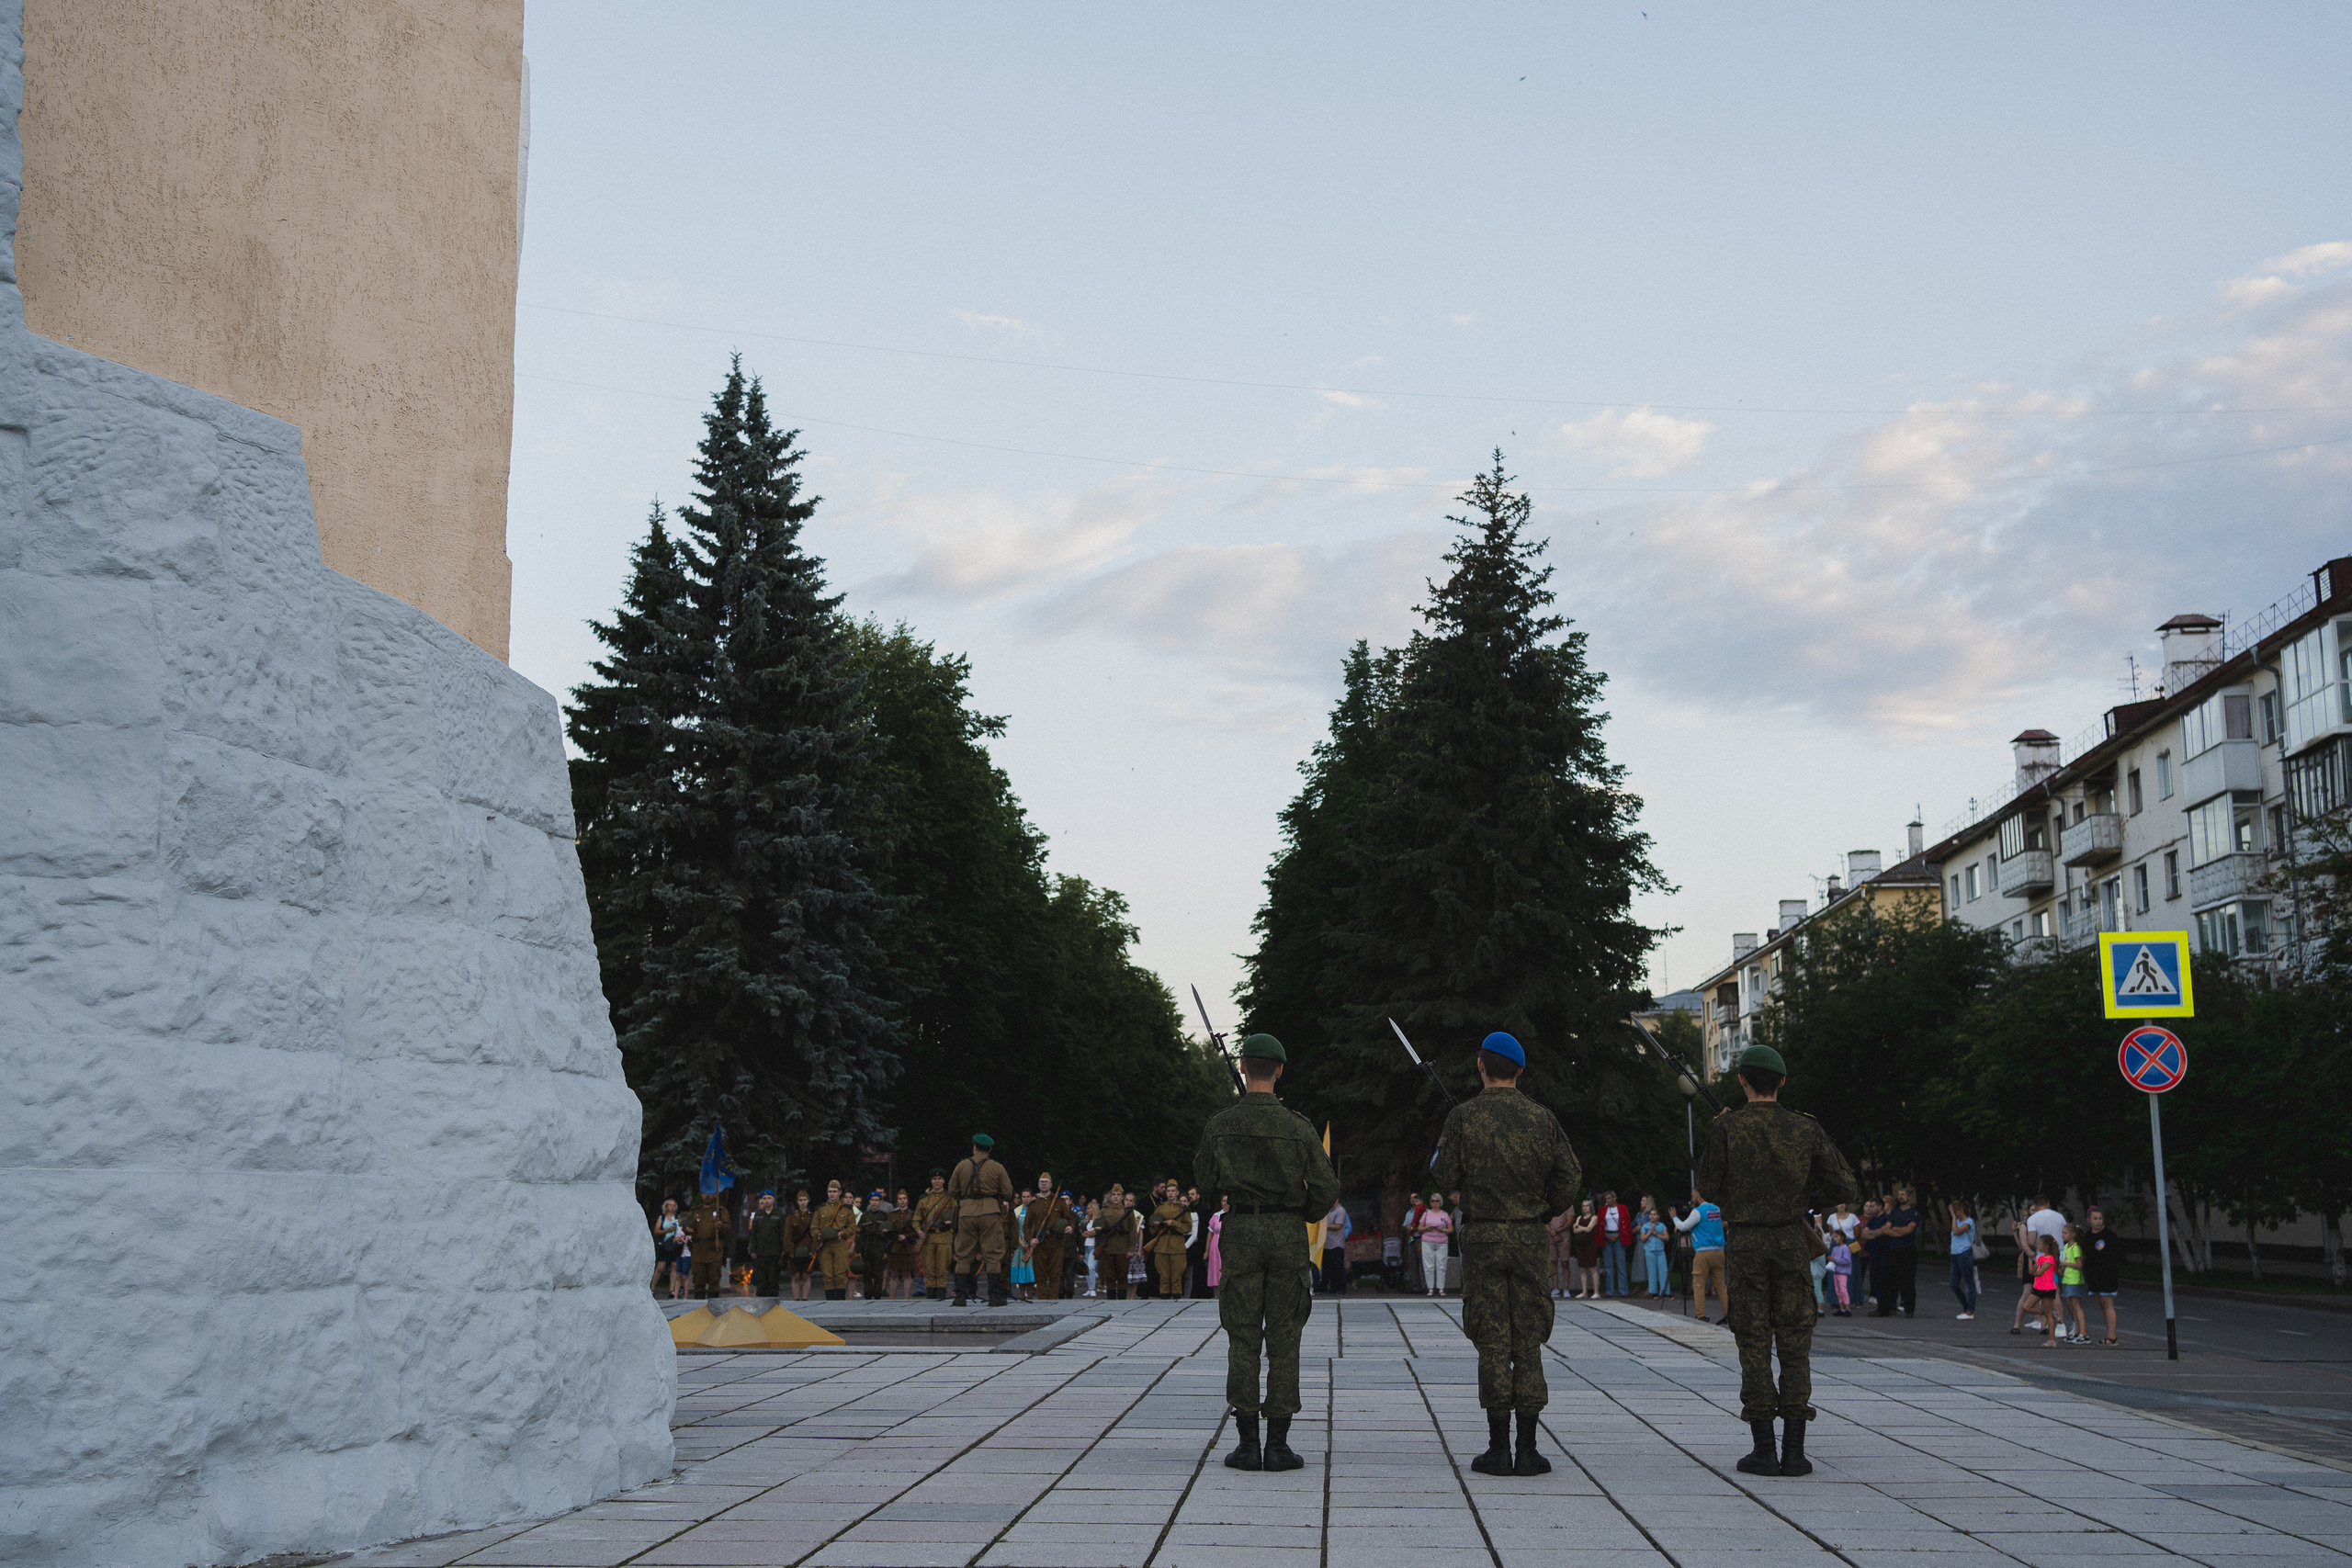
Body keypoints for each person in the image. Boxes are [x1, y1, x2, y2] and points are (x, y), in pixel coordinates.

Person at [1696, 1043, 1858, 1480]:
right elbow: (1844, 1184)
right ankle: (1795, 1453)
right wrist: (1805, 1201)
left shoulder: (1727, 1129)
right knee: (1795, 1345)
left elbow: (1708, 1187)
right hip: (1790, 1241)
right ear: (1782, 1082)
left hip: (1746, 1244)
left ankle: (1763, 1450)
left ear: (1742, 1080)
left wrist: (1720, 1134)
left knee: (1752, 1344)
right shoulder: (1805, 1129)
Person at [1430, 1030, 1581, 1478]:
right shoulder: (1542, 1118)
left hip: (1482, 1238)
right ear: (1518, 1070)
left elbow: (1443, 1173)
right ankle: (1529, 1449)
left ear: (1480, 1066)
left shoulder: (1463, 1117)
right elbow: (1569, 1176)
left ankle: (1498, 1448)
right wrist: (1544, 1209)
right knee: (1528, 1335)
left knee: (1493, 1337)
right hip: (1529, 1237)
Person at [1193, 1032, 1340, 1474]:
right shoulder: (1299, 1126)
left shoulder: (1221, 1124)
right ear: (1279, 1070)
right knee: (1285, 1337)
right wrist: (1300, 1211)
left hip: (1239, 1229)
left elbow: (1204, 1177)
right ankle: (1278, 1445)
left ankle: (1246, 1444)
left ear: (1242, 1066)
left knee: (1242, 1336)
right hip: (1286, 1232)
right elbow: (1327, 1188)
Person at [946, 1134, 1017, 1307]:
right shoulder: (997, 1167)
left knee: (963, 1255)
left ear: (974, 1148)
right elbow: (1008, 1191)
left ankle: (960, 1297)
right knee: (993, 1255)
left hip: (967, 1212)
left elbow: (952, 1191)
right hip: (990, 1212)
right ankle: (994, 1297)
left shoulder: (962, 1165)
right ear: (990, 1149)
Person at [2009, 1196, 2067, 1335]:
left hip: (2043, 1257)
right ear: (2048, 1203)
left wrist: (2035, 1250)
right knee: (2056, 1290)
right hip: (2060, 1254)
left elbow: (2030, 1242)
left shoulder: (2033, 1219)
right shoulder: (2059, 1217)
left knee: (2050, 1292)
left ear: (2035, 1204)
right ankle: (2056, 1324)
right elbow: (2065, 1234)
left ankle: (2060, 1325)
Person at [1676, 1190, 1726, 1323]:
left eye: (1693, 1196)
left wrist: (1674, 1217)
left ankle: (1701, 1315)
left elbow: (1683, 1227)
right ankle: (1728, 1314)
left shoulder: (1698, 1212)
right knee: (1721, 1285)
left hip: (1703, 1251)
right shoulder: (1717, 1209)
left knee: (1698, 1285)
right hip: (1719, 1251)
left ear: (1699, 1195)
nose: (1692, 1199)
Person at [1872, 1185, 1920, 1318]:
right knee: (1889, 1279)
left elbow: (1909, 1230)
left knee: (1908, 1280)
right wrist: (1900, 1231)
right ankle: (1886, 1308)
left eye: (1903, 1194)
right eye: (1899, 1194)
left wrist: (1896, 1229)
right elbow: (1886, 1229)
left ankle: (1909, 1309)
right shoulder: (1894, 1212)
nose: (1900, 1197)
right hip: (1894, 1249)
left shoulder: (1914, 1213)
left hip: (1908, 1249)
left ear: (1909, 1197)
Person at [1028, 1176, 1074, 1302]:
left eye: (1046, 1182)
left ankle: (1053, 1299)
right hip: (1040, 1243)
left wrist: (1070, 1227)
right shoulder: (1033, 1204)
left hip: (1056, 1241)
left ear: (1051, 1184)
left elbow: (1069, 1219)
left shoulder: (1059, 1202)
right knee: (1040, 1274)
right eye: (1041, 1182)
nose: (1043, 1184)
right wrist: (1030, 1240)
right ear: (1038, 1184)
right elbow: (1026, 1225)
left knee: (1055, 1273)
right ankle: (1042, 1299)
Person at [811, 1179, 858, 1301]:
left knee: (840, 1274)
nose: (831, 1194)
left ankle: (840, 1302)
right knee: (827, 1275)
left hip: (840, 1244)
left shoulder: (846, 1209)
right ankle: (830, 1302)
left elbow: (853, 1227)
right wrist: (818, 1234)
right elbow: (814, 1227)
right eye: (829, 1191)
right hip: (826, 1245)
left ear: (839, 1193)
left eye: (834, 1191)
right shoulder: (820, 1209)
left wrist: (842, 1233)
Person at [1147, 1180, 1193, 1299]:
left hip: (1177, 1245)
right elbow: (1151, 1229)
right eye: (1168, 1191)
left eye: (1173, 1191)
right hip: (1162, 1245)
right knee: (1164, 1276)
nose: (1170, 1193)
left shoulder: (1183, 1209)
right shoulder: (1160, 1208)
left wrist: (1174, 1223)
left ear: (1177, 1193)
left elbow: (1188, 1228)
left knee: (1177, 1276)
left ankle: (1177, 1298)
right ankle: (1164, 1298)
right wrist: (1154, 1226)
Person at [2083, 1206, 2122, 1345]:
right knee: (2100, 1304)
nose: (2098, 1222)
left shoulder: (2109, 1235)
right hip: (2094, 1275)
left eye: (2100, 1219)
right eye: (2095, 1219)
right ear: (2089, 1220)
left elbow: (2118, 1254)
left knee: (2107, 1303)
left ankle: (2112, 1337)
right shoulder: (2088, 1236)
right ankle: (2109, 1333)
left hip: (2107, 1274)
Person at [912, 1170, 955, 1301]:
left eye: (940, 1178)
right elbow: (916, 1219)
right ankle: (930, 1298)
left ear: (944, 1181)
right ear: (931, 1181)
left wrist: (951, 1223)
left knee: (942, 1270)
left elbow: (957, 1216)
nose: (937, 1181)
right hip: (928, 1238)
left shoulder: (950, 1198)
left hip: (944, 1237)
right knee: (929, 1270)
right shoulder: (924, 1199)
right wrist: (919, 1232)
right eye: (935, 1179)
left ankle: (940, 1297)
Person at [1093, 1185, 1137, 1301]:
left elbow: (1133, 1231)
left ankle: (1122, 1300)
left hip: (1123, 1247)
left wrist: (1131, 1249)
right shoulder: (1104, 1210)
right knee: (1110, 1276)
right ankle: (1111, 1299)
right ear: (1110, 1196)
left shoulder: (1127, 1211)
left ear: (1122, 1197)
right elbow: (1098, 1229)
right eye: (1114, 1194)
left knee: (1123, 1276)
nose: (1116, 1197)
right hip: (1108, 1247)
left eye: (1118, 1195)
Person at [687, 1192, 731, 1300]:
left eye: (710, 1193)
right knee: (698, 1279)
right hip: (698, 1250)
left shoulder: (720, 1211)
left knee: (714, 1279)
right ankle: (698, 1306)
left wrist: (721, 1226)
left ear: (715, 1195)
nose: (707, 1196)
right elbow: (686, 1226)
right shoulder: (695, 1211)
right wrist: (687, 1230)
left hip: (714, 1250)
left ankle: (713, 1304)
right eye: (704, 1193)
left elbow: (727, 1228)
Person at [854, 1190, 898, 1301]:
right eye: (872, 1200)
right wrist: (858, 1250)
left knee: (879, 1273)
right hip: (867, 1245)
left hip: (880, 1245)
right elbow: (859, 1233)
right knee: (867, 1272)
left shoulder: (885, 1216)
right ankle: (868, 1295)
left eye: (877, 1200)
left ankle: (878, 1294)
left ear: (880, 1202)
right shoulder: (864, 1216)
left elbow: (890, 1235)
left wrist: (886, 1251)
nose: (874, 1202)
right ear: (869, 1202)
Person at [748, 1190, 788, 1299]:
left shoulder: (778, 1215)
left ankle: (773, 1302)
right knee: (761, 1279)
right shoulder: (759, 1215)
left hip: (774, 1252)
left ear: (773, 1200)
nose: (766, 1201)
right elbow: (754, 1234)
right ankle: (761, 1301)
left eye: (769, 1198)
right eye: (764, 1198)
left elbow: (782, 1233)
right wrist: (753, 1250)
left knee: (773, 1279)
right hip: (761, 1252)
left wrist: (783, 1249)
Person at [1415, 1191, 1454, 1298]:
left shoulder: (1444, 1214)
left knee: (1441, 1266)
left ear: (1440, 1202)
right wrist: (1427, 1229)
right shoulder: (1426, 1214)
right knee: (1429, 1266)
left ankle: (1441, 1288)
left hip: (1442, 1242)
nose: (1435, 1203)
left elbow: (1451, 1229)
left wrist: (1443, 1230)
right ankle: (1430, 1288)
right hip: (1428, 1241)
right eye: (1433, 1201)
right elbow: (1419, 1227)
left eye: (1437, 1201)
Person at [2025, 1235, 2061, 1347]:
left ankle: (2052, 1340)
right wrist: (2030, 1259)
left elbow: (2040, 1272)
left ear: (2046, 1246)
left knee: (2048, 1314)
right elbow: (2031, 1271)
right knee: (2026, 1307)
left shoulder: (2050, 1259)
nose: (2037, 1245)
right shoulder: (2040, 1258)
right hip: (2038, 1287)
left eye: (2039, 1244)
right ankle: (2049, 1313)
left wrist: (2035, 1273)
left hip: (2047, 1288)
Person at [1947, 1199, 1979, 1320]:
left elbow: (1956, 1232)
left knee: (1969, 1283)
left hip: (1964, 1254)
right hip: (1955, 1254)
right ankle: (1966, 1307)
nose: (1951, 1214)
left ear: (1960, 1210)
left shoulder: (1969, 1221)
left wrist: (1954, 1217)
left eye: (1953, 1211)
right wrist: (1955, 1218)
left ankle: (1970, 1311)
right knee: (1953, 1284)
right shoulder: (1958, 1221)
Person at [888, 1189, 921, 1299]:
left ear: (907, 1200)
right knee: (894, 1274)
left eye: (904, 1198)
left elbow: (916, 1231)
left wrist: (906, 1236)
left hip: (908, 1247)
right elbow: (889, 1229)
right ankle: (892, 1298)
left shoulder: (912, 1214)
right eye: (900, 1199)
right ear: (897, 1201)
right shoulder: (892, 1215)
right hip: (895, 1247)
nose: (902, 1201)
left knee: (907, 1274)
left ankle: (906, 1298)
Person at [2059, 1224, 2089, 1344]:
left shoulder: (2076, 1247)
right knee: (2071, 1306)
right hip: (2067, 1279)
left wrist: (2065, 1264)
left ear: (2073, 1234)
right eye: (2062, 1233)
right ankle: (2077, 1331)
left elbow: (2079, 1265)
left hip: (2075, 1280)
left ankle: (2083, 1333)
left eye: (2065, 1233)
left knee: (2077, 1306)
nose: (2063, 1235)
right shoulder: (2067, 1247)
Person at [1599, 1190, 1631, 1299]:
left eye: (1609, 1198)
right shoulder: (1602, 1210)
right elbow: (1600, 1225)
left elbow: (1626, 1223)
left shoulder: (1622, 1208)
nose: (1607, 1201)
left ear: (1614, 1198)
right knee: (1608, 1266)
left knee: (1621, 1265)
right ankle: (1609, 1290)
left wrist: (1618, 1235)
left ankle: (1623, 1290)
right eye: (1606, 1199)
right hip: (1607, 1236)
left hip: (1619, 1237)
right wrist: (1606, 1236)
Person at [785, 1190, 815, 1302]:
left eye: (805, 1200)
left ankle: (805, 1298)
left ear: (808, 1201)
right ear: (797, 1201)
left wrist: (813, 1250)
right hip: (795, 1250)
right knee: (795, 1275)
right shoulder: (791, 1217)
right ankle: (797, 1299)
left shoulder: (812, 1216)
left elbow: (815, 1235)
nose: (803, 1202)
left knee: (806, 1275)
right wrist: (791, 1251)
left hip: (808, 1250)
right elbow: (787, 1236)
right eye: (801, 1200)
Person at [1639, 1199, 1671, 1299]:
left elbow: (1667, 1238)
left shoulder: (1661, 1226)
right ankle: (1653, 1292)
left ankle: (1666, 1291)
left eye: (1654, 1214)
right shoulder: (1645, 1226)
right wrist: (1650, 1232)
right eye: (1651, 1214)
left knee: (1663, 1271)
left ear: (1658, 1216)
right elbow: (1642, 1238)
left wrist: (1656, 1234)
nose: (1652, 1216)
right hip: (1649, 1251)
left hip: (1660, 1251)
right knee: (1652, 1271)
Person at [1319, 1198, 1351, 1294]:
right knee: (1330, 1267)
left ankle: (1342, 1288)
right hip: (1327, 1244)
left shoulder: (1340, 1211)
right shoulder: (1329, 1211)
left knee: (1339, 1266)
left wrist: (1324, 1226)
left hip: (1336, 1244)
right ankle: (1333, 1288)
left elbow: (1338, 1226)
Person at [652, 1200, 684, 1298]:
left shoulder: (677, 1218)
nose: (672, 1207)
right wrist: (667, 1230)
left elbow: (682, 1229)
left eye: (674, 1205)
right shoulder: (662, 1218)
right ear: (666, 1207)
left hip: (674, 1245)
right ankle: (652, 1288)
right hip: (664, 1244)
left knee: (674, 1266)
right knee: (660, 1267)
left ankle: (672, 1290)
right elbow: (656, 1231)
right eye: (670, 1205)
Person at [1571, 1199, 1600, 1298]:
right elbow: (1574, 1230)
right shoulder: (1579, 1217)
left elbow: (1589, 1229)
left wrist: (1580, 1227)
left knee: (1592, 1267)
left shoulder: (1594, 1217)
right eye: (1583, 1205)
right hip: (1580, 1245)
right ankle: (1584, 1292)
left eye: (1587, 1205)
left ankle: (1596, 1292)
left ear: (1591, 1207)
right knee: (1582, 1268)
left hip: (1590, 1244)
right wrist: (1580, 1227)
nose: (1585, 1207)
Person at [1547, 1204, 1576, 1299]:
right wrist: (1552, 1231)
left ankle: (1566, 1288)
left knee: (1565, 1262)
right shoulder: (1548, 1203)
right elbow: (1544, 1220)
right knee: (1553, 1262)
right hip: (1550, 1236)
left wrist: (1557, 1230)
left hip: (1564, 1234)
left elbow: (1569, 1221)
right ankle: (1556, 1288)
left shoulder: (1569, 1205)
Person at [1826, 1230, 1853, 1315]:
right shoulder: (1835, 1248)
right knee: (1838, 1290)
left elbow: (1847, 1261)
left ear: (1842, 1237)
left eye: (1836, 1237)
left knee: (1843, 1290)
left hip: (1842, 1272)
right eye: (1834, 1237)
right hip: (1836, 1271)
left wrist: (1834, 1260)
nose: (1835, 1239)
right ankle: (1842, 1308)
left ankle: (1847, 1308)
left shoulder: (1845, 1248)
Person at [1206, 1197, 1227, 1297]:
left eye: (1227, 1201)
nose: (1225, 1203)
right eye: (1223, 1200)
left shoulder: (1234, 1215)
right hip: (1215, 1246)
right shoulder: (1216, 1215)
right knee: (1216, 1268)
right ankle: (1217, 1294)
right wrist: (1206, 1251)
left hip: (1228, 1244)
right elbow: (1210, 1233)